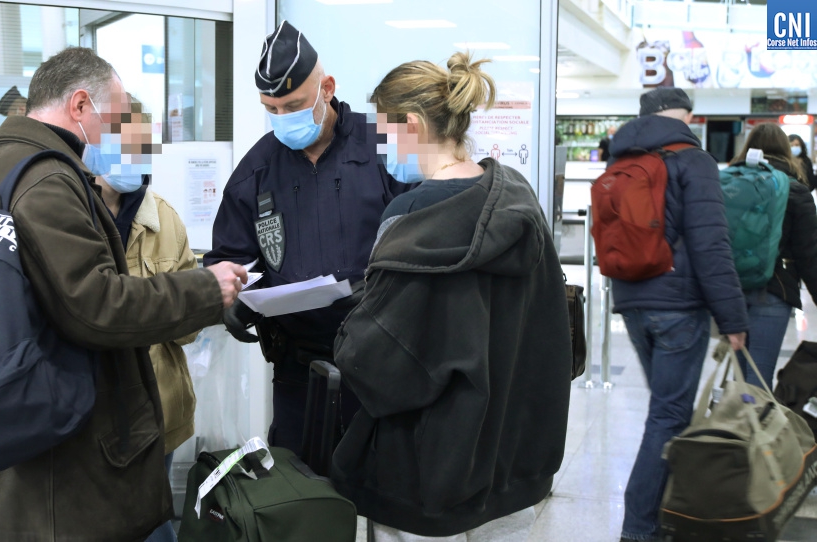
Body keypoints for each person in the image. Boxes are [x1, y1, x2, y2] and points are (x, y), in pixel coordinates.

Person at [0, 46, 246, 541]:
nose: (122, 135)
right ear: (81, 107)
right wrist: (204, 288)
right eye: (116, 115)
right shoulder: (44, 181)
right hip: (56, 444)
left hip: (21, 418)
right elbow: (96, 306)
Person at [328, 52, 571, 542]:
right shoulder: (517, 203)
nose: (380, 146)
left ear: (411, 124)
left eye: (383, 130)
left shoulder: (409, 216)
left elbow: (376, 362)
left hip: (424, 475)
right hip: (510, 466)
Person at [204, 21, 410, 456]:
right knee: (305, 500)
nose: (283, 119)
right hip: (299, 371)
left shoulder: (384, 150)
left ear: (327, 87)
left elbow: (423, 242)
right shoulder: (256, 172)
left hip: (381, 364)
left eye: (294, 105)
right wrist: (233, 302)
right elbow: (228, 259)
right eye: (271, 109)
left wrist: (378, 290)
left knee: (384, 494)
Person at [609, 87, 748, 542]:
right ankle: (640, 527)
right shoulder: (693, 159)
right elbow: (711, 244)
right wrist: (733, 319)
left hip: (632, 301)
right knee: (669, 416)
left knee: (667, 412)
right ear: (687, 115)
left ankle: (667, 513)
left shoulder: (621, 157)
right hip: (677, 308)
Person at [94, 96, 195, 542]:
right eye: (122, 143)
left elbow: (190, 326)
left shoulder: (165, 220)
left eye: (142, 144)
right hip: (90, 412)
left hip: (157, 407)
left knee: (154, 526)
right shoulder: (69, 214)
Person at [728, 124, 817, 387]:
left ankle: (735, 423)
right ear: (786, 149)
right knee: (759, 381)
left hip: (733, 291)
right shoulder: (795, 189)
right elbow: (809, 253)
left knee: (739, 379)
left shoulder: (732, 184)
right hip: (774, 290)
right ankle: (750, 426)